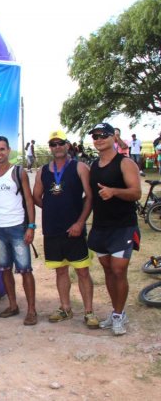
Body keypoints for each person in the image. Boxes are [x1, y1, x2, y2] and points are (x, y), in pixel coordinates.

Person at [32, 130, 99, 329]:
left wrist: (80, 222)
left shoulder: (80, 167)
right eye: (53, 144)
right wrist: (52, 209)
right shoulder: (43, 171)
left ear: (67, 145)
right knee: (60, 271)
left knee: (83, 271)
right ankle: (65, 308)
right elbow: (36, 197)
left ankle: (89, 312)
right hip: (52, 230)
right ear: (50, 148)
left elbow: (90, 197)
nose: (57, 147)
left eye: (60, 143)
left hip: (74, 230)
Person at [87, 122, 141, 336]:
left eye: (103, 135)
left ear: (113, 137)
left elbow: (136, 192)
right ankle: (117, 311)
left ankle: (118, 315)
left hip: (123, 226)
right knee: (108, 269)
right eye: (95, 136)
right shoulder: (93, 165)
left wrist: (114, 191)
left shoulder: (125, 163)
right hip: (101, 226)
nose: (99, 139)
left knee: (119, 270)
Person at [0, 136, 37, 325]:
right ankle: (13, 305)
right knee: (4, 269)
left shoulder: (18, 172)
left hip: (17, 227)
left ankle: (31, 310)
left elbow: (29, 200)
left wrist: (31, 226)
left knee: (25, 270)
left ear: (8, 150)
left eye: (2, 149)